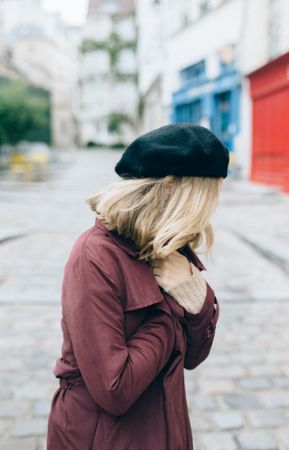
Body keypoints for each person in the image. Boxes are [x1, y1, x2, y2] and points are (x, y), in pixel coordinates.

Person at [46, 123, 229, 450]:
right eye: (205, 197)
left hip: (165, 428)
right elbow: (114, 389)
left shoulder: (171, 245)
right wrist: (168, 316)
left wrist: (197, 296)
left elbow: (193, 356)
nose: (208, 211)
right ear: (171, 188)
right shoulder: (95, 256)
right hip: (101, 436)